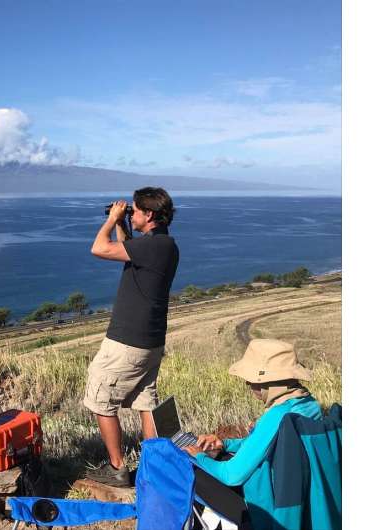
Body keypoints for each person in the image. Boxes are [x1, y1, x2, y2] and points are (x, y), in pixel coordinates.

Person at [83, 187, 179, 487]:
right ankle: (155, 466)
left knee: (100, 397)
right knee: (144, 401)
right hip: (150, 342)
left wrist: (112, 220)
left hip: (128, 342)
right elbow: (131, 250)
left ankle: (117, 468)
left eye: (134, 211)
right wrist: (125, 225)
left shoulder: (153, 247)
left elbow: (99, 248)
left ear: (148, 215)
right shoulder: (163, 245)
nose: (130, 214)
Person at [183, 339, 325, 530]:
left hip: (266, 507)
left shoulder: (277, 417)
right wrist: (225, 444)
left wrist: (198, 456)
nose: (248, 385)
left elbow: (231, 475)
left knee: (188, 471)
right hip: (302, 503)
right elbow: (269, 444)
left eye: (249, 381)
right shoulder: (310, 406)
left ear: (264, 383)